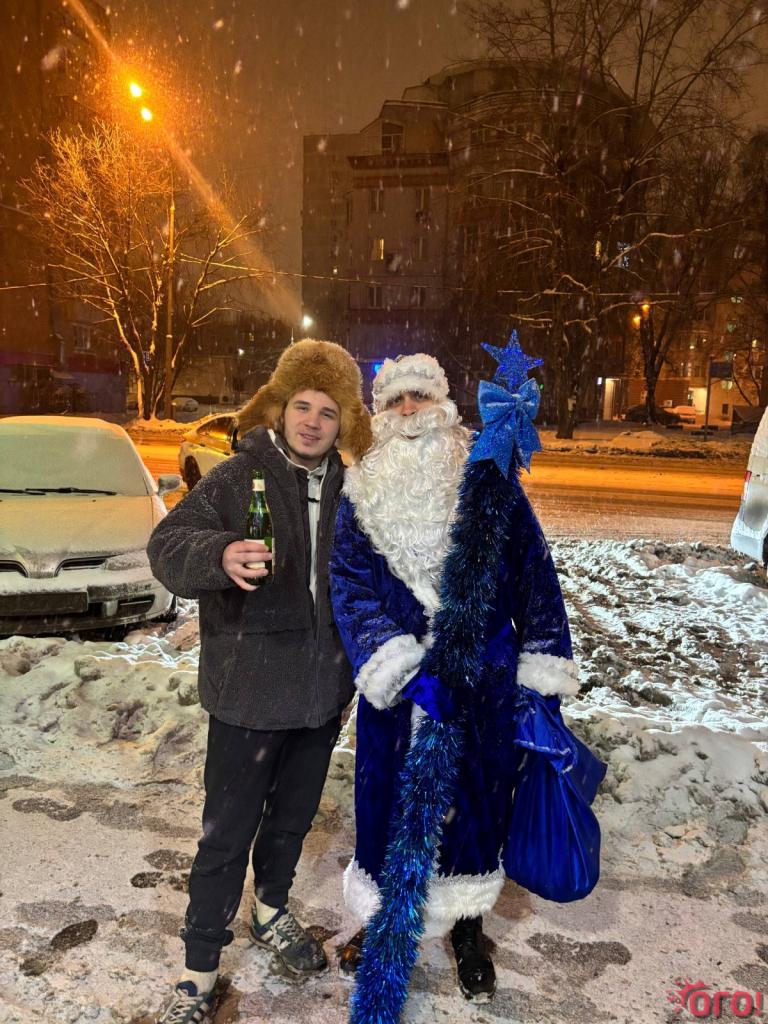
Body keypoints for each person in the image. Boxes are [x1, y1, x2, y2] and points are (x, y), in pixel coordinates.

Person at [329, 352, 604, 1006]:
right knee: (386, 804)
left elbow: (535, 575)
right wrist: (398, 663)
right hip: (399, 691)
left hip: (485, 680)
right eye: (395, 400)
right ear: (380, 411)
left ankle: (468, 927)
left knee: (478, 805)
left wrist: (540, 668)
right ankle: (385, 915)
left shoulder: (488, 475)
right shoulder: (361, 489)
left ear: (444, 403)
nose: (408, 411)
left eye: (420, 397)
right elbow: (349, 583)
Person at [147, 339, 371, 1024]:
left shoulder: (353, 490)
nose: (312, 422)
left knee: (291, 824)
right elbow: (166, 547)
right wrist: (219, 554)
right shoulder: (238, 476)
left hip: (320, 698)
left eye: (327, 411)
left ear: (343, 422)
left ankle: (270, 910)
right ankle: (198, 973)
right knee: (226, 836)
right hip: (247, 695)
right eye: (302, 405)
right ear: (279, 407)